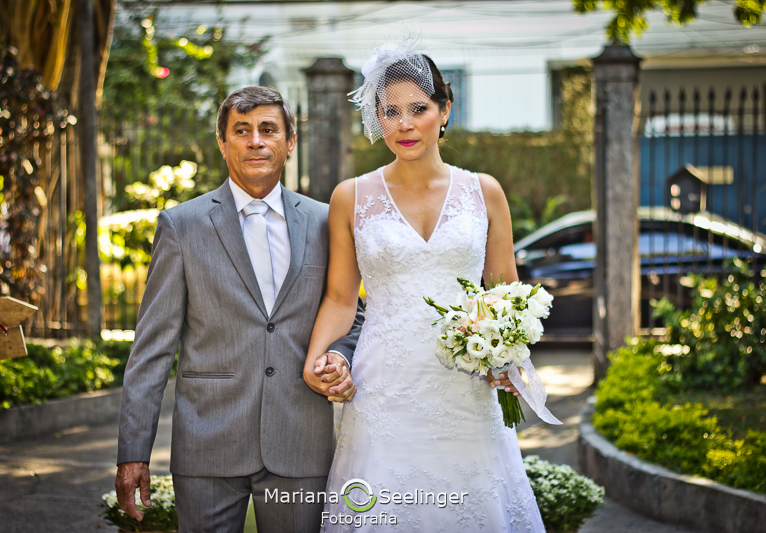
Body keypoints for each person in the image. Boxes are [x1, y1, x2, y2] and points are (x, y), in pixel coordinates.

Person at [303, 41, 546, 531]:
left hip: (468, 389)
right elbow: (339, 298)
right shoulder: (350, 198)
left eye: (418, 109)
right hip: (383, 390)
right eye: (390, 112)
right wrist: (315, 359)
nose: (404, 124)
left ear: (444, 111)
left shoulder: (485, 191)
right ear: (377, 118)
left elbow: (506, 293)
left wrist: (508, 359)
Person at [116, 86, 364, 533]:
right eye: (242, 130)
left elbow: (352, 313)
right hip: (208, 440)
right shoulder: (181, 226)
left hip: (300, 437)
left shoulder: (327, 221)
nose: (255, 141)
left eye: (268, 130)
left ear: (290, 142)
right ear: (222, 141)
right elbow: (152, 348)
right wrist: (133, 451)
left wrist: (340, 356)